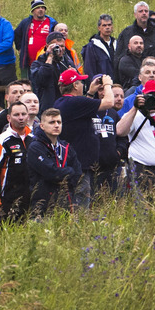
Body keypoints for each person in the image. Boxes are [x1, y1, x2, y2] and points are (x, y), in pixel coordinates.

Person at [54, 69, 114, 207]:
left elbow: (83, 107)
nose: (83, 85)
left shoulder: (63, 102)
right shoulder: (74, 102)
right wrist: (107, 85)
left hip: (76, 162)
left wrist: (91, 93)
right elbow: (109, 102)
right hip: (81, 164)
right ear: (75, 85)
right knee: (81, 206)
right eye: (81, 82)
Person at [27, 108, 82, 215]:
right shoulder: (35, 147)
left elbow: (78, 172)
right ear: (42, 126)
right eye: (52, 122)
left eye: (59, 122)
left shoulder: (66, 146)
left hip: (66, 201)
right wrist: (69, 172)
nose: (56, 125)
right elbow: (51, 173)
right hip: (42, 204)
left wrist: (67, 177)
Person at [0, 102, 33, 218]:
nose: (21, 118)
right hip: (9, 200)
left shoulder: (34, 139)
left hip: (32, 199)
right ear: (9, 118)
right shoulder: (0, 141)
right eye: (16, 115)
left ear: (28, 116)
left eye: (23, 114)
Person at [115, 2, 155, 81]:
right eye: (140, 11)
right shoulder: (127, 33)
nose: (144, 13)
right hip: (133, 81)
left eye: (146, 11)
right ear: (135, 14)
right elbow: (119, 58)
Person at [30, 31, 78, 115]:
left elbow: (78, 85)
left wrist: (75, 75)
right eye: (57, 46)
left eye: (62, 46)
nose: (60, 49)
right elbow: (41, 80)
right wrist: (50, 56)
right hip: (48, 109)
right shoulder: (38, 63)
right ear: (48, 46)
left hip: (66, 107)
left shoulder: (68, 62)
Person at [14, 0, 58, 79]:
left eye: (42, 8)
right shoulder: (26, 23)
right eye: (38, 8)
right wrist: (20, 48)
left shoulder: (52, 23)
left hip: (47, 60)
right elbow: (17, 34)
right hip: (30, 62)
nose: (40, 10)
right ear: (33, 11)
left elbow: (58, 37)